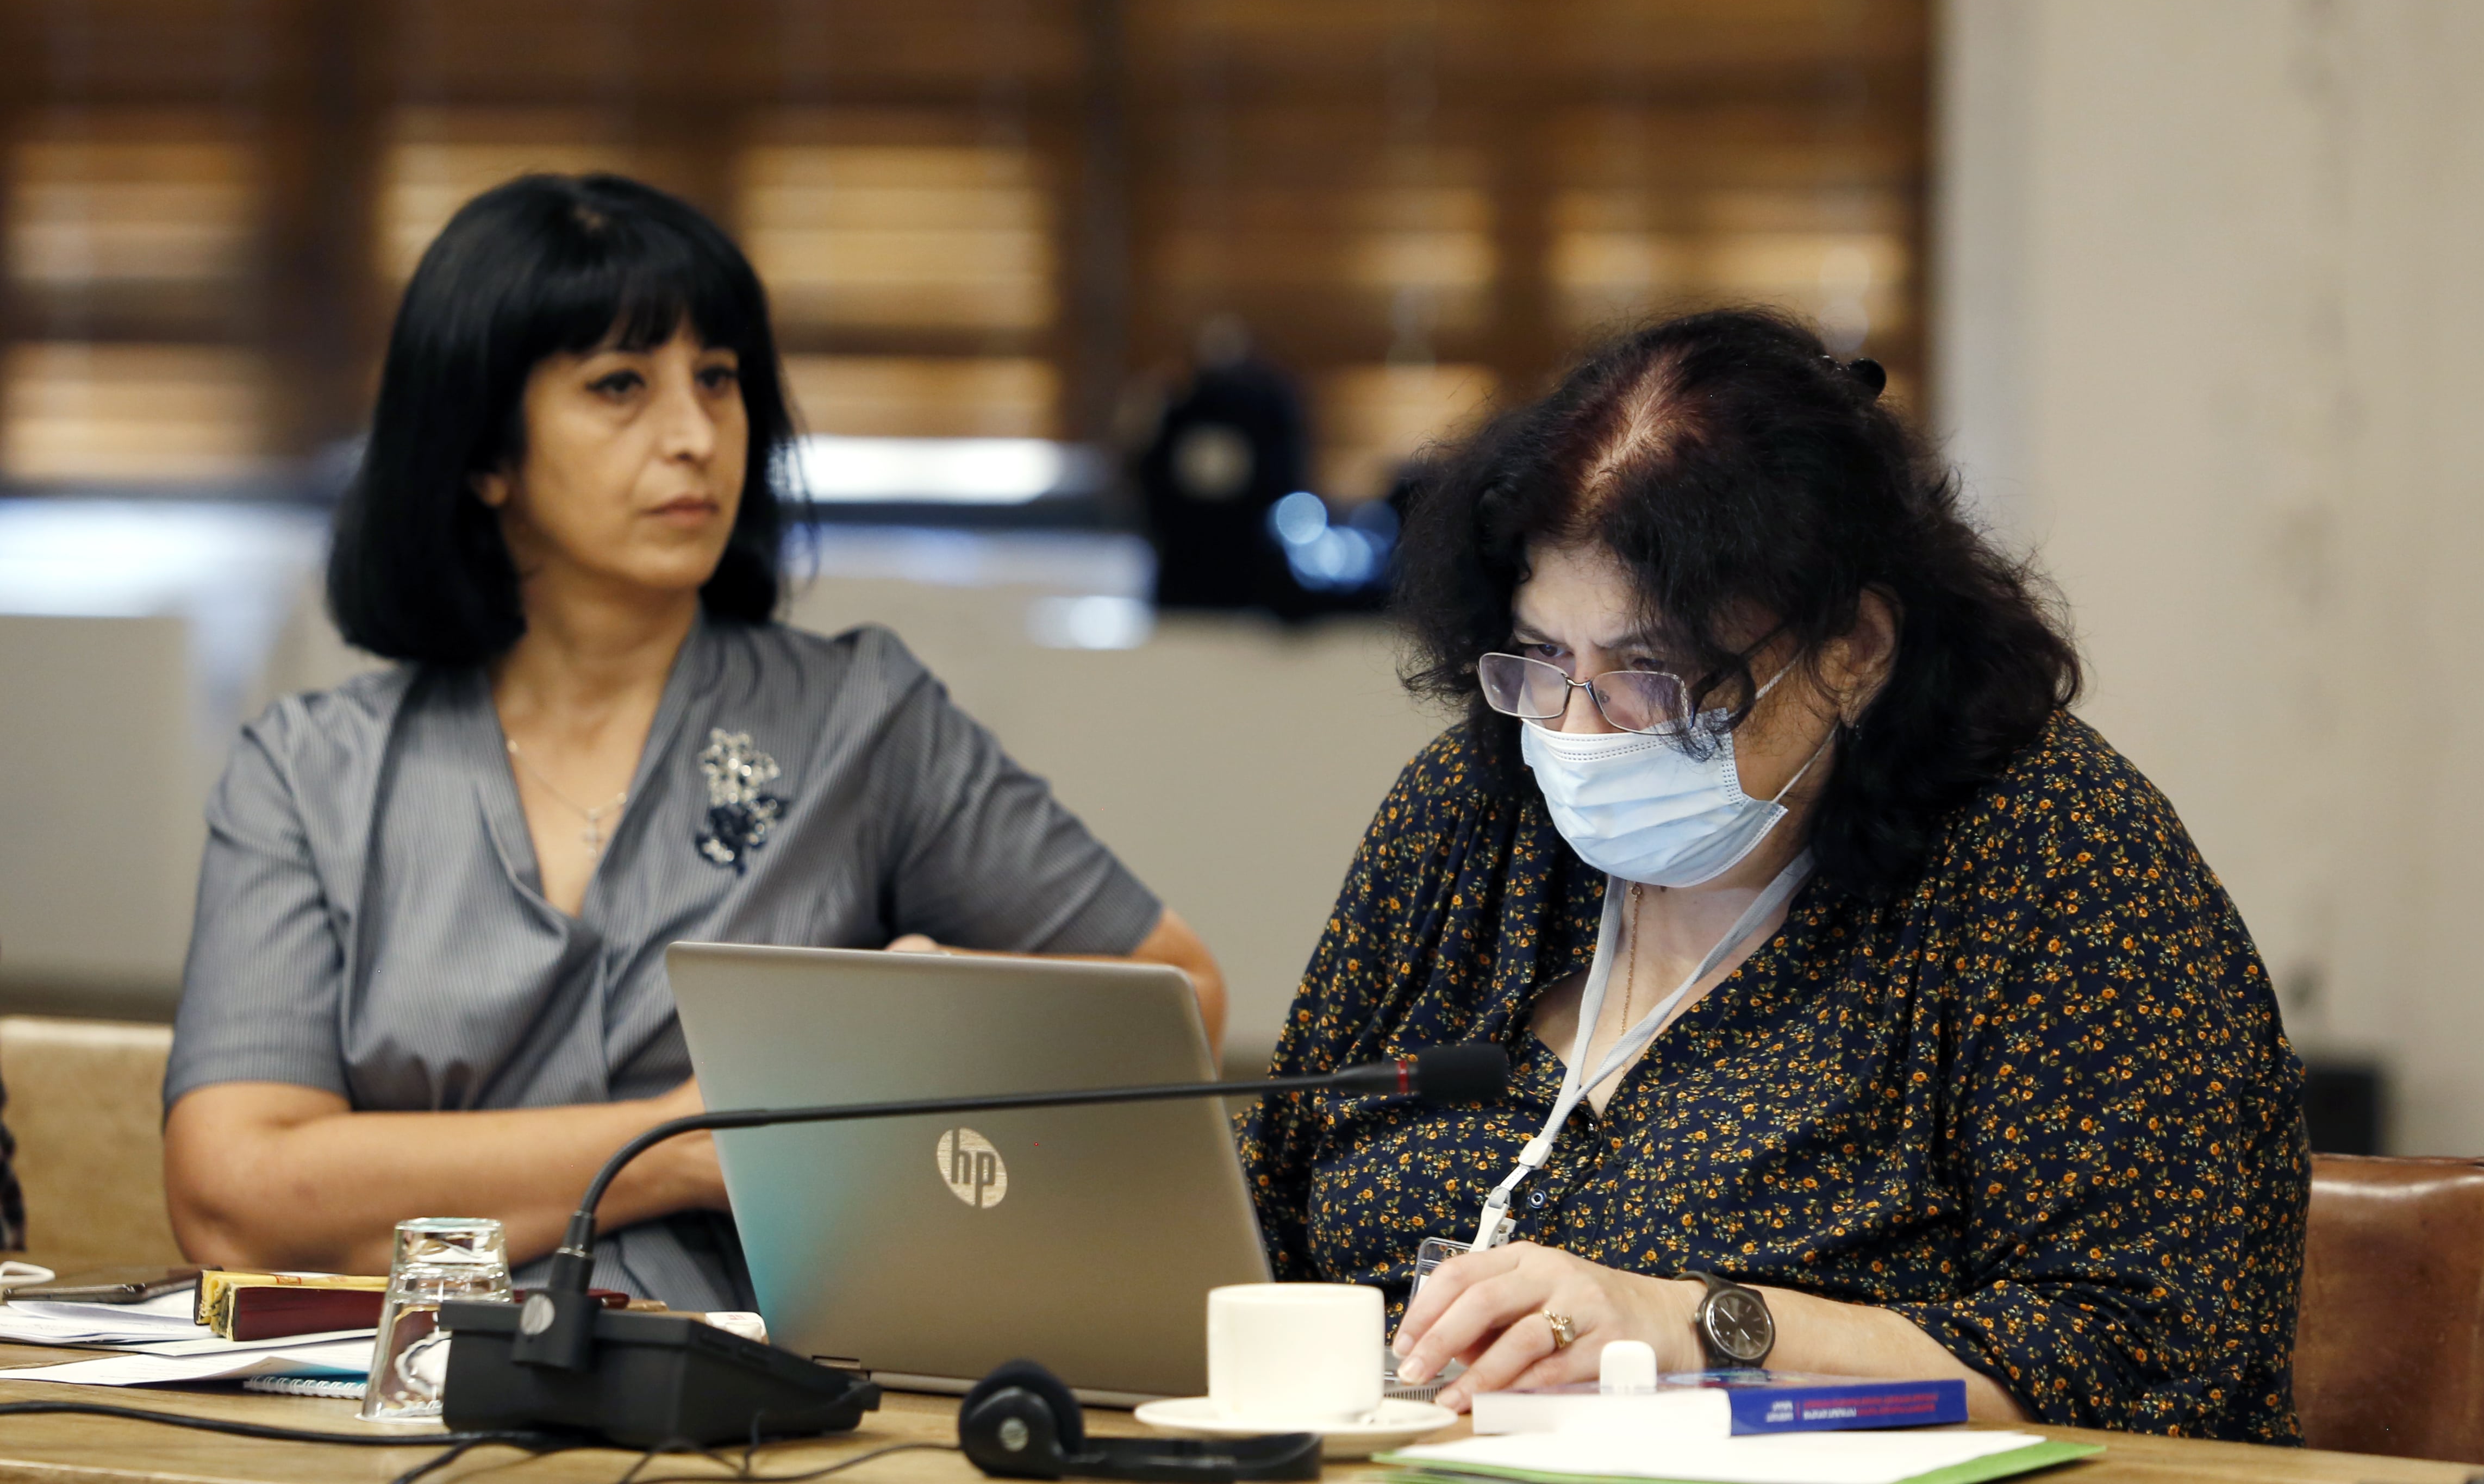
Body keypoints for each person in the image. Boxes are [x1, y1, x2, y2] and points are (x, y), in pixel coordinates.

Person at [1238, 309, 2306, 1442]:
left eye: (1652, 672)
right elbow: (1264, 1205)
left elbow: (2144, 1364)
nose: (1580, 733)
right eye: (1545, 657)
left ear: (1854, 650)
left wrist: (1693, 1324)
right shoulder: (1472, 815)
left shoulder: (2056, 858)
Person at [164, 174, 1225, 1310]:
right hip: (405, 1386)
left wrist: (955, 1018)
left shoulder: (862, 719)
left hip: (772, 1377)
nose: (695, 436)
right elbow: (233, 1197)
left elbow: (1182, 1001)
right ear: (485, 453)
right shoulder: (309, 772)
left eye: (718, 379)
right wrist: (674, 1144)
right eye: (620, 385)